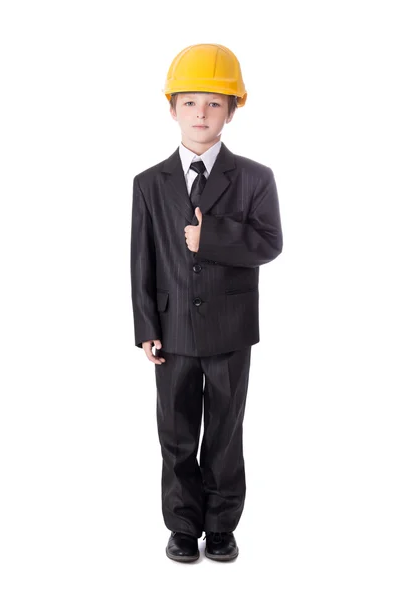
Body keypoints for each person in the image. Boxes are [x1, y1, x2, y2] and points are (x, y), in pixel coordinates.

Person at [130, 43, 283, 562]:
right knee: (175, 432)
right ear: (172, 107)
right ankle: (181, 525)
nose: (201, 114)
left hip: (231, 329)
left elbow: (269, 243)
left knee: (224, 431)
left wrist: (211, 236)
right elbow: (142, 260)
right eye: (191, 102)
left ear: (232, 110)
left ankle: (220, 525)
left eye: (214, 103)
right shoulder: (149, 184)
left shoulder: (255, 179)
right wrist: (146, 325)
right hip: (171, 330)